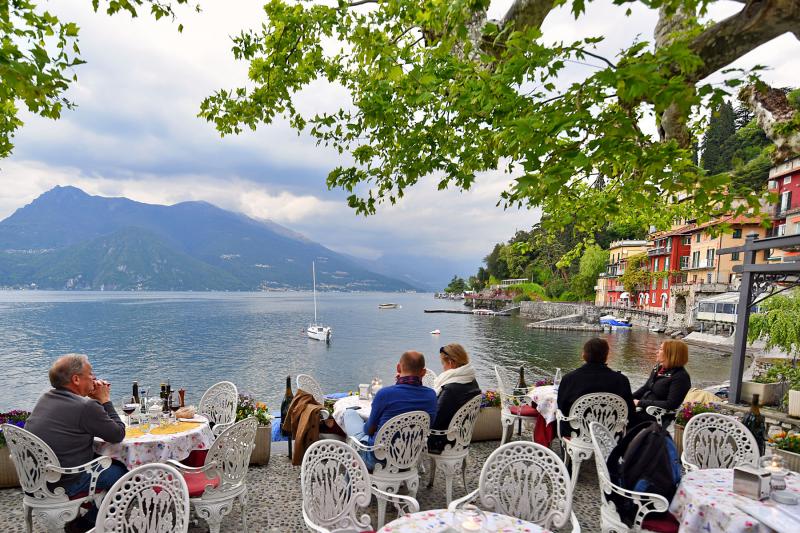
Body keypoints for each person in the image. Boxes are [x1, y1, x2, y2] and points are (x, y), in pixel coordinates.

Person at [25, 354, 127, 531]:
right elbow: (117, 434)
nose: (94, 378)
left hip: (36, 481)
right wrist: (105, 400)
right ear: (76, 379)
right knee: (123, 472)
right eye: (90, 374)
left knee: (105, 461)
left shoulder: (45, 399)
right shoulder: (86, 407)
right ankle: (87, 524)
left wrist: (94, 403)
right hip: (65, 483)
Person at [343, 350, 437, 468]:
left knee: (349, 413)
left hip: (378, 459)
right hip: (409, 458)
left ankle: (355, 464)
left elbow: (369, 430)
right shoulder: (431, 396)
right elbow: (428, 426)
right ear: (423, 372)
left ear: (398, 368)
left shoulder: (385, 394)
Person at [556, 338, 635, 435]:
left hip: (577, 435)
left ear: (584, 355)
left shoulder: (569, 379)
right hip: (611, 436)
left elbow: (561, 408)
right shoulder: (622, 380)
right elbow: (630, 412)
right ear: (606, 356)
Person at [428, 343, 481, 454]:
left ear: (451, 363)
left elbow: (436, 420)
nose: (443, 367)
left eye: (443, 363)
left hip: (443, 440)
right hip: (462, 435)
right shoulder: (471, 380)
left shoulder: (450, 389)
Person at [631, 340, 691, 426]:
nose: (657, 351)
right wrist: (628, 398)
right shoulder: (658, 368)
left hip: (656, 415)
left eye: (660, 349)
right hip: (643, 409)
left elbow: (671, 404)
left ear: (671, 354)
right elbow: (645, 388)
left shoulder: (680, 377)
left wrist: (640, 403)